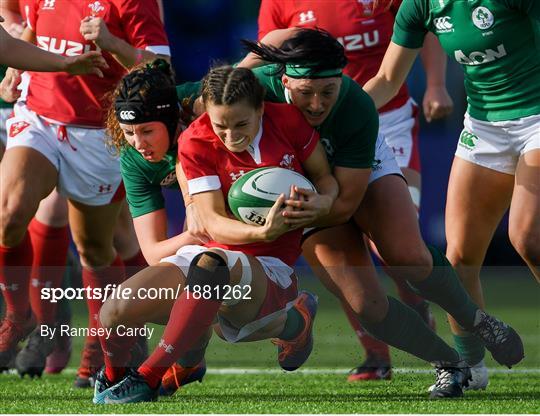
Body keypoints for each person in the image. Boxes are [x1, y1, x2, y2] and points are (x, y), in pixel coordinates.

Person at [230, 28, 524, 399]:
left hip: (351, 178)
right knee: (366, 306)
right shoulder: (250, 91)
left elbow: (347, 204)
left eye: (328, 91)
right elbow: (196, 106)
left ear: (342, 80)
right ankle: (449, 364)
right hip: (301, 189)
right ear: (284, 79)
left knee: (405, 256)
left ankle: (478, 322)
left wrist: (321, 205)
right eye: (306, 93)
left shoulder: (355, 106)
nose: (318, 104)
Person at [92, 64, 339, 404]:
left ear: (261, 109)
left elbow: (324, 178)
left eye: (241, 124)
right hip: (211, 254)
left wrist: (322, 203)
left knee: (213, 279)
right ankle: (115, 376)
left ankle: (148, 378)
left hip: (266, 264)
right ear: (206, 116)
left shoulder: (285, 120)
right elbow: (206, 226)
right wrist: (258, 228)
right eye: (220, 125)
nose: (231, 136)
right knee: (114, 310)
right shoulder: (194, 140)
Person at [256, 0, 454, 382]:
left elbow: (424, 23)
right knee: (340, 253)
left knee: (394, 247)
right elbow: (269, 58)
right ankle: (376, 355)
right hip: (315, 135)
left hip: (386, 123)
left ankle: (420, 308)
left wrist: (435, 84)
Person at [363, 0, 540, 391]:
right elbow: (389, 79)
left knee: (528, 238)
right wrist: (343, 112)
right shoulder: (420, 6)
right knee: (458, 260)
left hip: (538, 117)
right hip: (484, 127)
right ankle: (470, 368)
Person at [0, 0, 169, 381]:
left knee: (94, 246)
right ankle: (19, 315)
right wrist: (16, 69)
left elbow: (162, 70)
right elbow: (32, 28)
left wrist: (110, 42)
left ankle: (103, 339)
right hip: (38, 116)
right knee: (8, 213)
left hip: (98, 133)